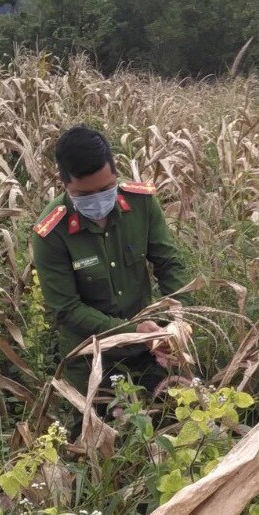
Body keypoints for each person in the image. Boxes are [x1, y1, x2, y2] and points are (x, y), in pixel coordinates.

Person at [31, 125, 191, 400]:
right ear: (65, 184)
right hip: (91, 355)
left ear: (115, 172)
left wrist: (178, 319)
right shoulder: (51, 231)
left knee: (170, 415)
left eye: (106, 189)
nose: (98, 201)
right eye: (84, 195)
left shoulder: (140, 203)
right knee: (94, 431)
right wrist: (132, 331)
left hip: (149, 347)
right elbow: (66, 309)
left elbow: (168, 263)